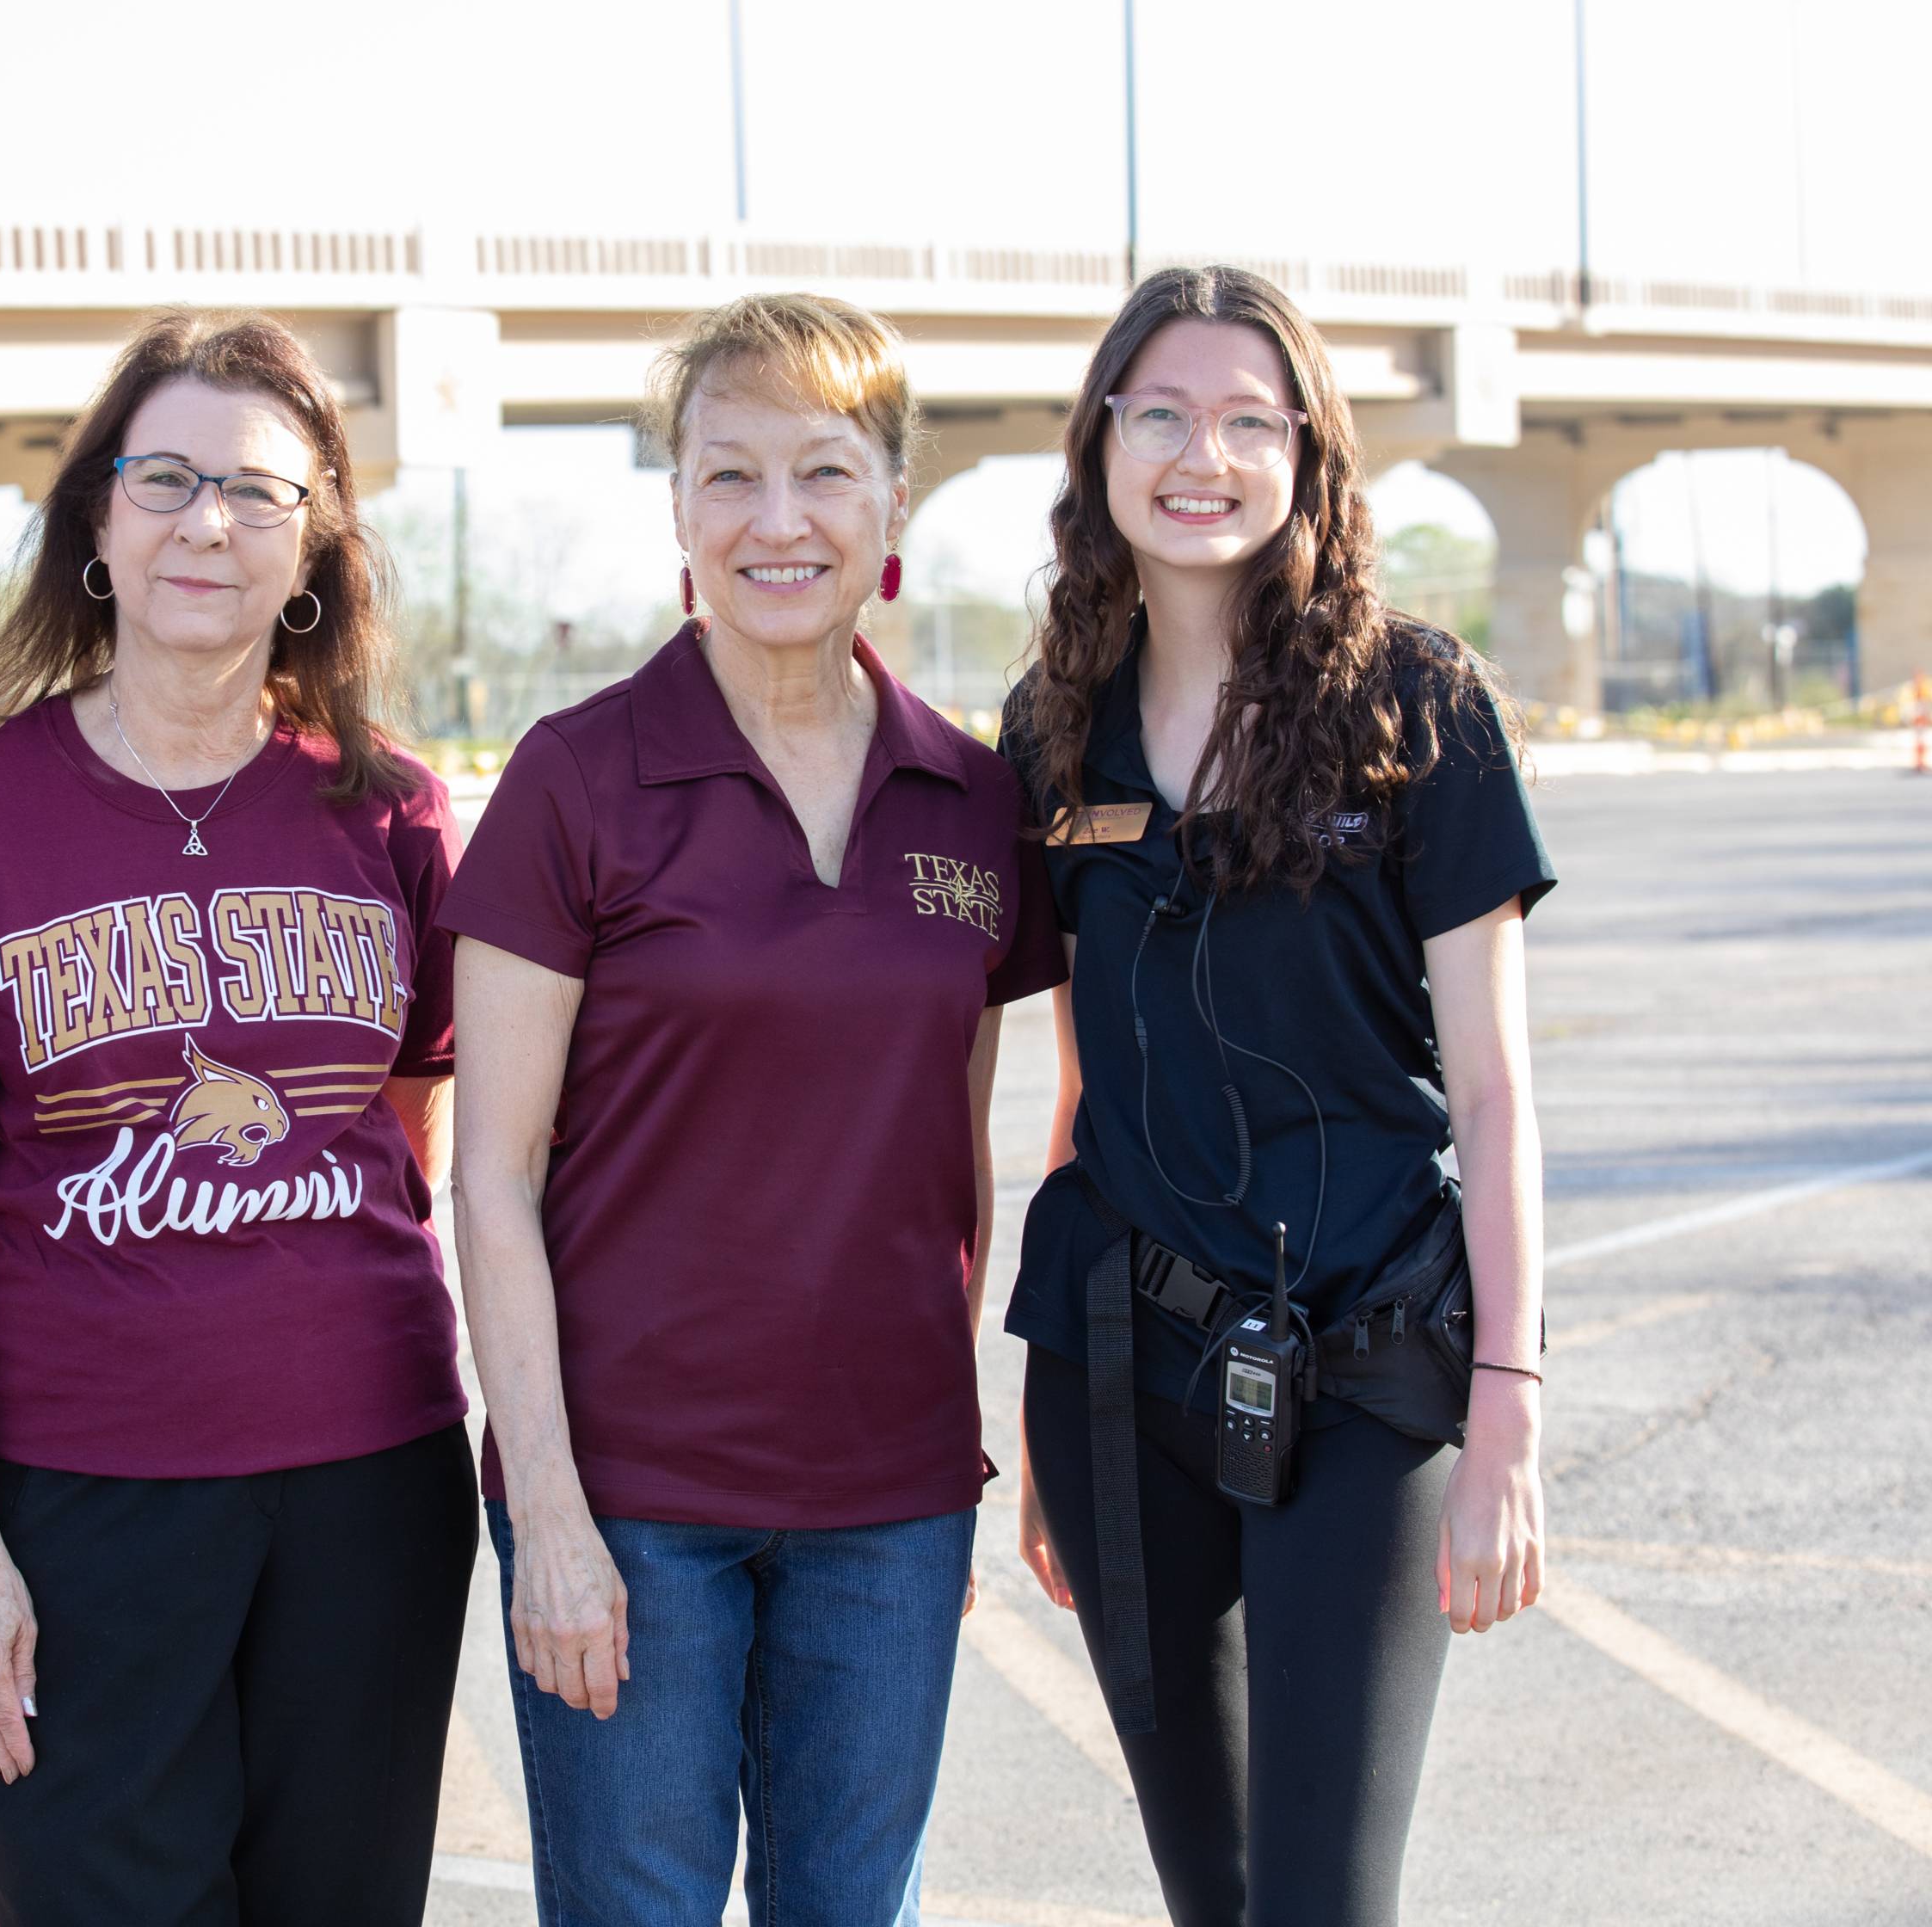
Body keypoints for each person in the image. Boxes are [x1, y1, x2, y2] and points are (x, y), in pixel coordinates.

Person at [443, 292, 1068, 1927]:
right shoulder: (576, 780)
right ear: (677, 513)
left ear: (891, 513)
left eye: (825, 474)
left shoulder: (975, 799)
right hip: (635, 1504)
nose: (777, 522)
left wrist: (956, 1449)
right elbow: (490, 1181)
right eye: (729, 476)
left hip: (893, 1503)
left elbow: (955, 1162)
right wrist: (554, 1517)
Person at [0, 308, 473, 1926]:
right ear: (97, 524)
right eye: (168, 479)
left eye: (261, 492)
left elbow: (408, 1131)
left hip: (370, 1490)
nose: (210, 522)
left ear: (316, 545)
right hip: (77, 1501)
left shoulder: (394, 810)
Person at [1000, 265, 1554, 1927]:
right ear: (1102, 441)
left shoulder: (1419, 706)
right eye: (1162, 413)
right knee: (1212, 1887)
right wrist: (1050, 1426)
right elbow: (1085, 1070)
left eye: (1251, 419)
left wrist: (1510, 1402)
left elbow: (1499, 1084)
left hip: (1368, 1358)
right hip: (1118, 1361)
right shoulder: (1054, 726)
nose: (1203, 454)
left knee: (1321, 1898)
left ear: (1308, 454)